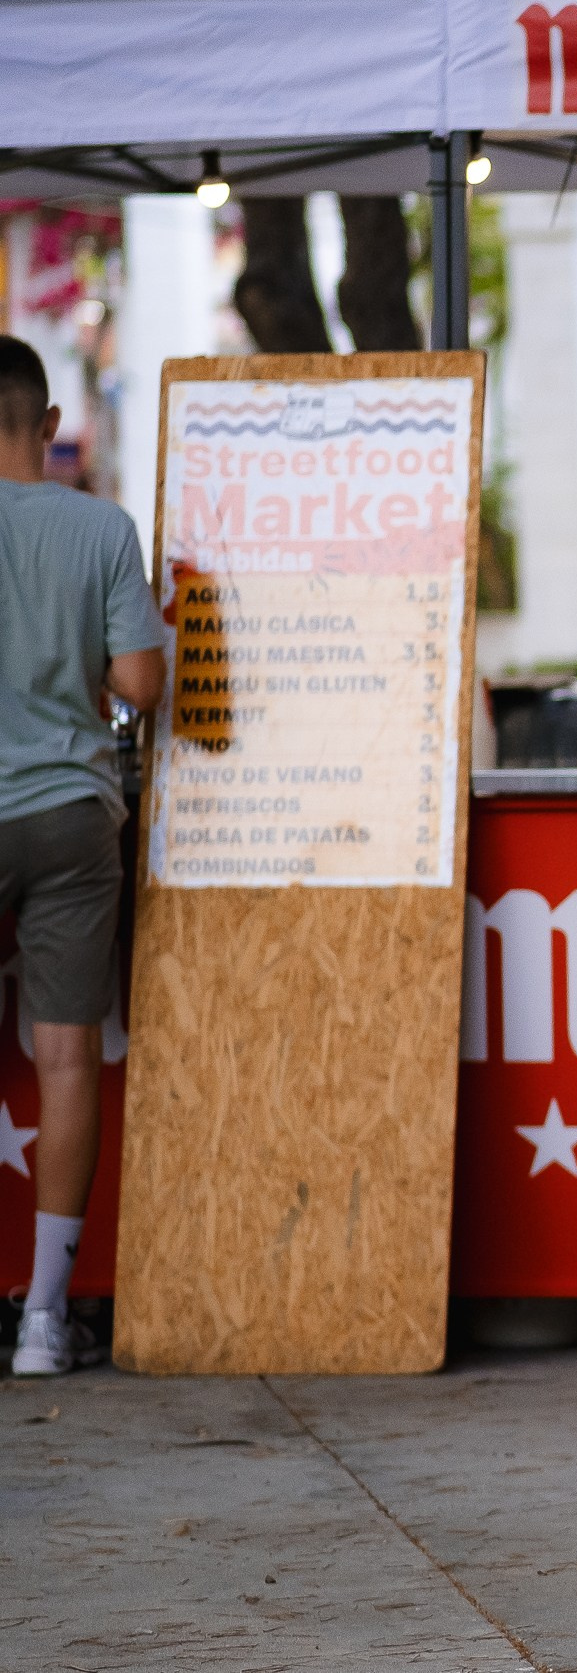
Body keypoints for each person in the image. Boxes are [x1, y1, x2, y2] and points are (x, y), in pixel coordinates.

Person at [0, 335, 165, 1377]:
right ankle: (46, 1323)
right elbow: (142, 686)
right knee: (66, 1059)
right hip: (67, 811)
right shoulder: (100, 526)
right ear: (49, 425)